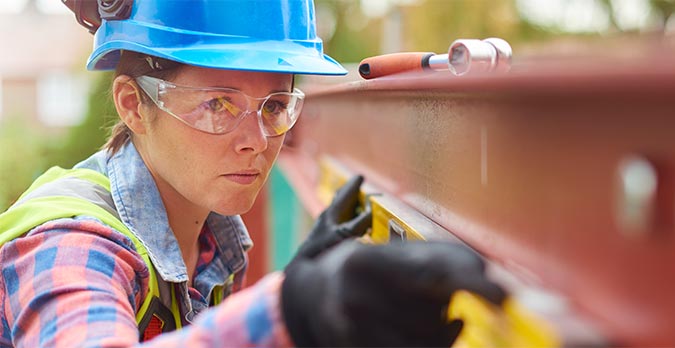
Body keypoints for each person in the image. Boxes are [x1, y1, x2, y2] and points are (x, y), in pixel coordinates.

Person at [0, 0, 504, 346]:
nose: (258, 140)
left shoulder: (211, 241)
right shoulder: (69, 245)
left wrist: (298, 285)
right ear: (134, 105)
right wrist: (294, 312)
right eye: (218, 104)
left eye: (275, 105)